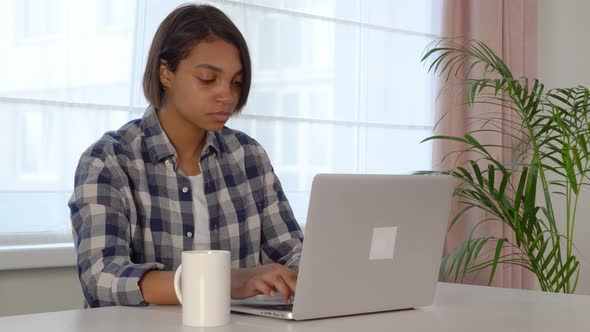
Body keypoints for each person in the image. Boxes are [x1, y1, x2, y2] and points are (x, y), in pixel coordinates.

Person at [68, 3, 303, 308]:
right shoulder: (108, 160)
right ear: (166, 72)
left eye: (236, 82)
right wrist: (226, 281)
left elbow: (293, 254)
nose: (227, 96)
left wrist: (316, 274)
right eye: (208, 79)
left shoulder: (249, 157)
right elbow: (102, 277)